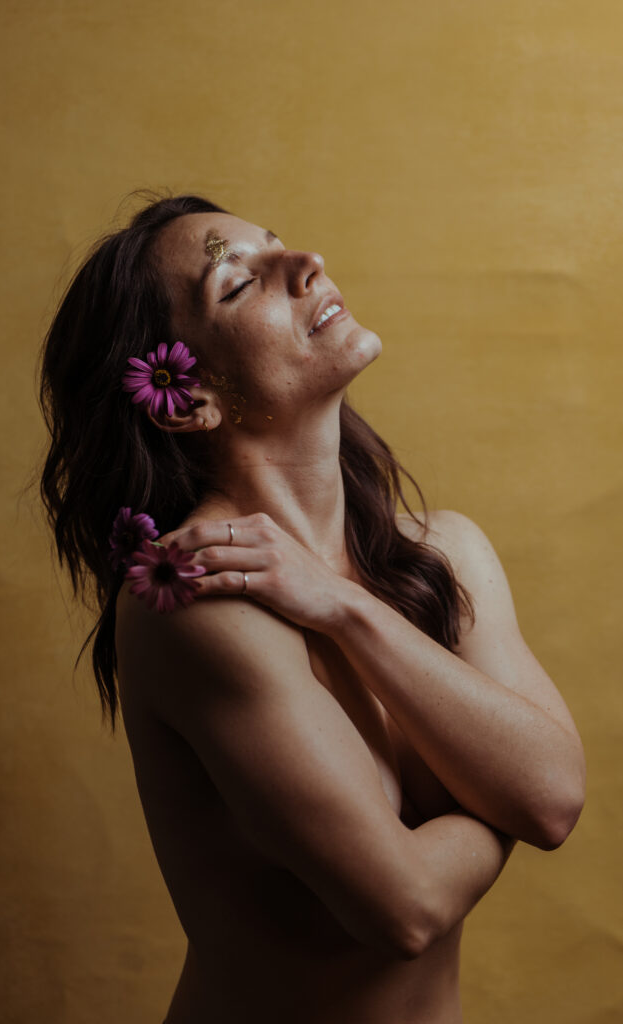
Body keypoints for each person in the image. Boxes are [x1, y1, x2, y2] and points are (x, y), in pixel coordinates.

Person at [39, 193, 586, 1023]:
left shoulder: (442, 554)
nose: (303, 265)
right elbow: (406, 906)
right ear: (187, 400)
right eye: (237, 281)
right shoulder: (195, 599)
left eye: (279, 245)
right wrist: (495, 792)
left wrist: (341, 606)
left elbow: (552, 795)